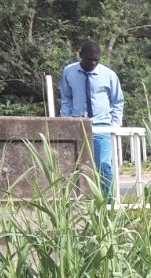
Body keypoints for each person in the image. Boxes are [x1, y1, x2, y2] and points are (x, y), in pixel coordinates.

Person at [59, 41, 124, 198]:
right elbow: (66, 98)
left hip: (102, 126)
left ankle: (108, 203)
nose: (93, 62)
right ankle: (77, 201)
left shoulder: (108, 75)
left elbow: (117, 102)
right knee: (74, 166)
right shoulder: (69, 72)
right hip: (77, 125)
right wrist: (66, 122)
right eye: (90, 59)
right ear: (81, 56)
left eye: (96, 59)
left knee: (103, 166)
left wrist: (114, 126)